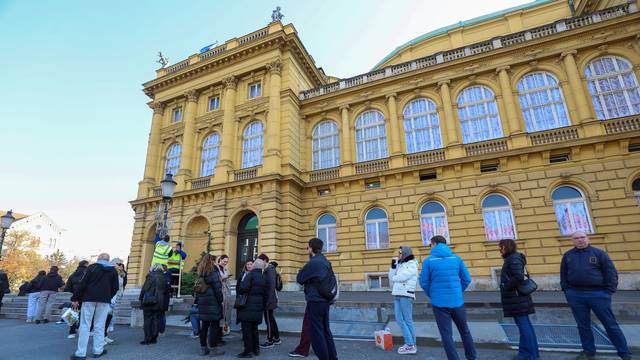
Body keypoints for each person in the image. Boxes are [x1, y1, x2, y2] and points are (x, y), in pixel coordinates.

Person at [561, 231, 631, 360]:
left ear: (587, 238)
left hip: (598, 294)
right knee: (583, 325)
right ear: (572, 241)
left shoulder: (599, 253)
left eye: (582, 237)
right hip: (576, 295)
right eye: (576, 238)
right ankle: (589, 351)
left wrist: (608, 292)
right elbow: (563, 274)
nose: (580, 240)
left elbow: (611, 273)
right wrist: (567, 291)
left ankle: (624, 352)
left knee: (610, 324)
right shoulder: (568, 255)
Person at [419, 235, 476, 360]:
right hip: (457, 302)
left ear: (434, 244)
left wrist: (432, 294)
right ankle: (472, 357)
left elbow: (423, 282)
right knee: (465, 331)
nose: (430, 247)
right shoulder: (456, 259)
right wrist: (457, 291)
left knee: (446, 335)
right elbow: (467, 279)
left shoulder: (429, 261)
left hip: (439, 304)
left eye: (430, 245)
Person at [70, 253, 119, 360]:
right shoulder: (113, 270)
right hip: (104, 301)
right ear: (108, 260)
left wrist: (75, 298)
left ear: (98, 259)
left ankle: (81, 353)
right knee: (100, 326)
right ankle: (98, 351)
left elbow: (82, 283)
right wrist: (107, 296)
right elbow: (116, 288)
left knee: (85, 325)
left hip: (88, 299)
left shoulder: (92, 268)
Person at [296, 238, 338, 360]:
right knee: (326, 331)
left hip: (315, 301)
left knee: (317, 334)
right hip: (325, 300)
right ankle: (333, 357)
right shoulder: (325, 261)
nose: (307, 250)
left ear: (310, 248)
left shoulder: (313, 262)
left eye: (307, 247)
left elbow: (299, 278)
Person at [498, 239, 539, 360]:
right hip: (518, 297)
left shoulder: (513, 258)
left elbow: (518, 276)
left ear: (506, 247)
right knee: (524, 326)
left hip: (517, 297)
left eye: (501, 247)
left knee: (524, 326)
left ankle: (530, 354)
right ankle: (525, 352)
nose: (499, 250)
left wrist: (506, 287)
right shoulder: (513, 258)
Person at [389, 246, 418, 355]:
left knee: (407, 320)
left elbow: (401, 277)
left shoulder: (412, 264)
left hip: (406, 294)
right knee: (399, 319)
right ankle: (411, 344)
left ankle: (410, 344)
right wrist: (393, 267)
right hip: (397, 293)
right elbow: (391, 277)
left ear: (405, 253)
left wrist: (395, 277)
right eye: (398, 252)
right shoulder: (400, 264)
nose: (398, 254)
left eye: (400, 252)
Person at [236, 258, 268, 358]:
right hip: (258, 306)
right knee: (254, 329)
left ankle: (248, 351)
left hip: (248, 306)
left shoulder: (250, 275)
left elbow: (243, 288)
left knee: (246, 330)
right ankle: (256, 349)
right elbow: (265, 293)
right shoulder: (263, 277)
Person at [195, 254, 225, 356]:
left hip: (203, 303)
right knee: (214, 327)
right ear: (212, 261)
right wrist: (221, 300)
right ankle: (213, 349)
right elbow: (217, 289)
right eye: (216, 260)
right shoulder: (214, 272)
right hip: (213, 303)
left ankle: (203, 348)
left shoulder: (200, 272)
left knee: (204, 326)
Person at [139, 263, 169, 345]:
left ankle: (147, 339)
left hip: (149, 301)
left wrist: (140, 298)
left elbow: (145, 288)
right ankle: (154, 338)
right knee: (156, 319)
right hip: (159, 302)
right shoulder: (164, 277)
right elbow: (167, 291)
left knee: (148, 320)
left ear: (154, 268)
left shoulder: (151, 276)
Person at [258, 253, 281, 348]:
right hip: (270, 299)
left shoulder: (269, 270)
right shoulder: (270, 269)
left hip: (269, 300)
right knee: (271, 319)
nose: (259, 263)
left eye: (260, 261)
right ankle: (277, 338)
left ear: (264, 260)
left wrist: (267, 301)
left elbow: (271, 287)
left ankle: (270, 340)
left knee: (268, 321)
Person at [103, 258, 127, 345]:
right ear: (113, 264)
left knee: (109, 317)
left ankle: (105, 336)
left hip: (116, 297)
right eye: (119, 264)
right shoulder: (110, 272)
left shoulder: (121, 274)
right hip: (110, 297)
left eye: (122, 264)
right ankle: (101, 337)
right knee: (105, 317)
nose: (121, 266)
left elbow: (121, 286)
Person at [64, 261, 89, 338]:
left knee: (74, 313)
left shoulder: (73, 275)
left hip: (75, 297)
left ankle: (72, 332)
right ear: (86, 265)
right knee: (84, 314)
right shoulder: (87, 273)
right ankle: (81, 329)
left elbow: (68, 287)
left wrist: (75, 293)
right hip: (86, 297)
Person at [217, 255, 232, 337]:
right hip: (221, 293)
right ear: (220, 260)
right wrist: (223, 278)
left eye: (227, 262)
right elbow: (216, 280)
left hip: (226, 293)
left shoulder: (226, 269)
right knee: (221, 313)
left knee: (226, 312)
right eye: (224, 261)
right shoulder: (217, 268)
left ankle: (224, 329)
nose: (225, 263)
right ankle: (219, 333)